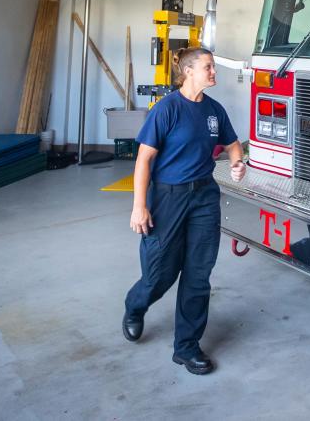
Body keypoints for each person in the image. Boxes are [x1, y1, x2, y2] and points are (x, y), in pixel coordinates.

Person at [122, 47, 246, 375]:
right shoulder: (166, 110)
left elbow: (233, 144)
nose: (213, 73)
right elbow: (144, 160)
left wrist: (237, 162)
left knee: (198, 274)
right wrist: (139, 206)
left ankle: (187, 347)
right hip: (168, 198)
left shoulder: (214, 110)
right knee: (159, 273)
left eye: (213, 68)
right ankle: (135, 306)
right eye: (208, 67)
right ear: (189, 71)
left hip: (204, 197)